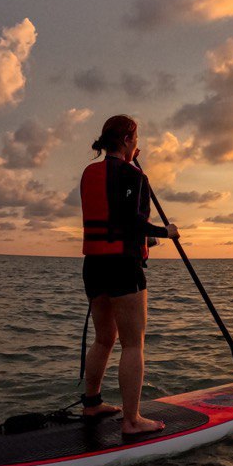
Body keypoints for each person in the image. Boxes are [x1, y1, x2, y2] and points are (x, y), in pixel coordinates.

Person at [79, 114, 178, 436]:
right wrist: (164, 231)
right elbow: (128, 219)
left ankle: (91, 402)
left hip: (94, 265)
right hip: (122, 265)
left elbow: (114, 221)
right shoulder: (134, 175)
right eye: (136, 139)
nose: (138, 144)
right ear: (127, 139)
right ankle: (132, 420)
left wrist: (146, 239)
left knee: (104, 338)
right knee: (132, 344)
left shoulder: (89, 172)